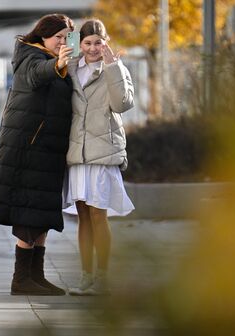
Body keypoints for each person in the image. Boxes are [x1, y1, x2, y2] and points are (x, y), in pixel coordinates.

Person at [0, 13, 75, 296]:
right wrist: (58, 65)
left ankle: (36, 277)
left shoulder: (52, 61)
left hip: (47, 151)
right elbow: (36, 76)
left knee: (42, 215)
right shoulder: (30, 58)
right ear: (43, 35)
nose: (61, 42)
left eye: (65, 38)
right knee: (29, 213)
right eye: (57, 37)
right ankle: (21, 279)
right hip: (29, 149)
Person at [64, 19, 135, 296]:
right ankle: (85, 277)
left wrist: (112, 67)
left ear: (106, 42)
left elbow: (123, 104)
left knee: (97, 215)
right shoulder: (72, 69)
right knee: (82, 216)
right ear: (80, 44)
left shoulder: (115, 68)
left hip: (102, 154)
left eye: (98, 42)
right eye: (87, 42)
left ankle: (103, 278)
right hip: (77, 154)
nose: (93, 48)